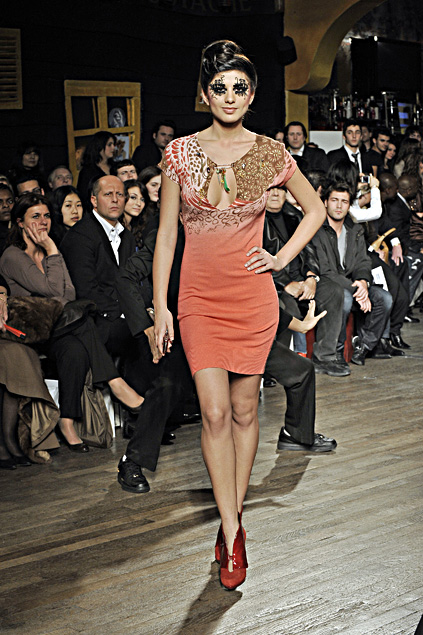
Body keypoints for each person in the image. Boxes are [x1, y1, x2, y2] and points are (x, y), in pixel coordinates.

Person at [152, 40, 326, 590]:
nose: (229, 96)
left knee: (247, 411)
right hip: (198, 300)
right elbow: (165, 237)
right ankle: (231, 532)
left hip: (252, 298)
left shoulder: (271, 154)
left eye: (240, 87)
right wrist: (161, 306)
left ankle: (234, 520)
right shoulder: (179, 153)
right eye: (219, 87)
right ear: (205, 95)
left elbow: (315, 210)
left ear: (252, 95)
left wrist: (280, 258)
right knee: (215, 412)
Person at [0, 193, 145, 453]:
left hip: (59, 329)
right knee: (83, 317)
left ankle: (67, 421)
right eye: (35, 217)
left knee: (75, 352)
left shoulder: (49, 252)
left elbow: (69, 293)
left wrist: (50, 254)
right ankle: (116, 383)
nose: (43, 222)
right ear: (20, 222)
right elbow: (52, 290)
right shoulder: (13, 256)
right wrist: (52, 250)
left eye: (46, 216)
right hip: (30, 331)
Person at [312, 181, 393, 365]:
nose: (339, 206)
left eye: (344, 201)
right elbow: (325, 271)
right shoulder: (317, 229)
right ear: (325, 202)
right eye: (334, 200)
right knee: (345, 298)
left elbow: (363, 261)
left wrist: (363, 281)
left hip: (352, 284)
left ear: (349, 205)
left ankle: (363, 347)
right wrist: (358, 290)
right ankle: (337, 353)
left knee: (384, 298)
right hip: (326, 285)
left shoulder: (355, 230)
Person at [77, 131, 116, 209]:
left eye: (113, 144)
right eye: (109, 145)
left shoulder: (114, 167)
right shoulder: (87, 171)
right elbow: (83, 195)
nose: (113, 148)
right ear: (99, 147)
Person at [120, 179, 148, 250]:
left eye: (142, 200)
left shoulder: (137, 227)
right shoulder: (114, 227)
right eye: (133, 197)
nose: (138, 203)